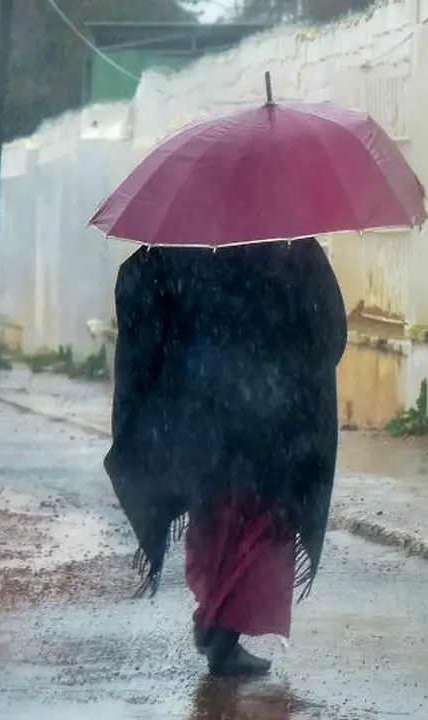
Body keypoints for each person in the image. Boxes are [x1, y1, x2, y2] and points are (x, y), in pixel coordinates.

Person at [103, 237, 348, 677]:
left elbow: (147, 326)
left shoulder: (176, 250)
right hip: (269, 425)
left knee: (216, 522)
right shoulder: (289, 248)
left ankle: (217, 624)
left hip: (203, 423)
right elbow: (330, 333)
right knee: (257, 528)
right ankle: (221, 630)